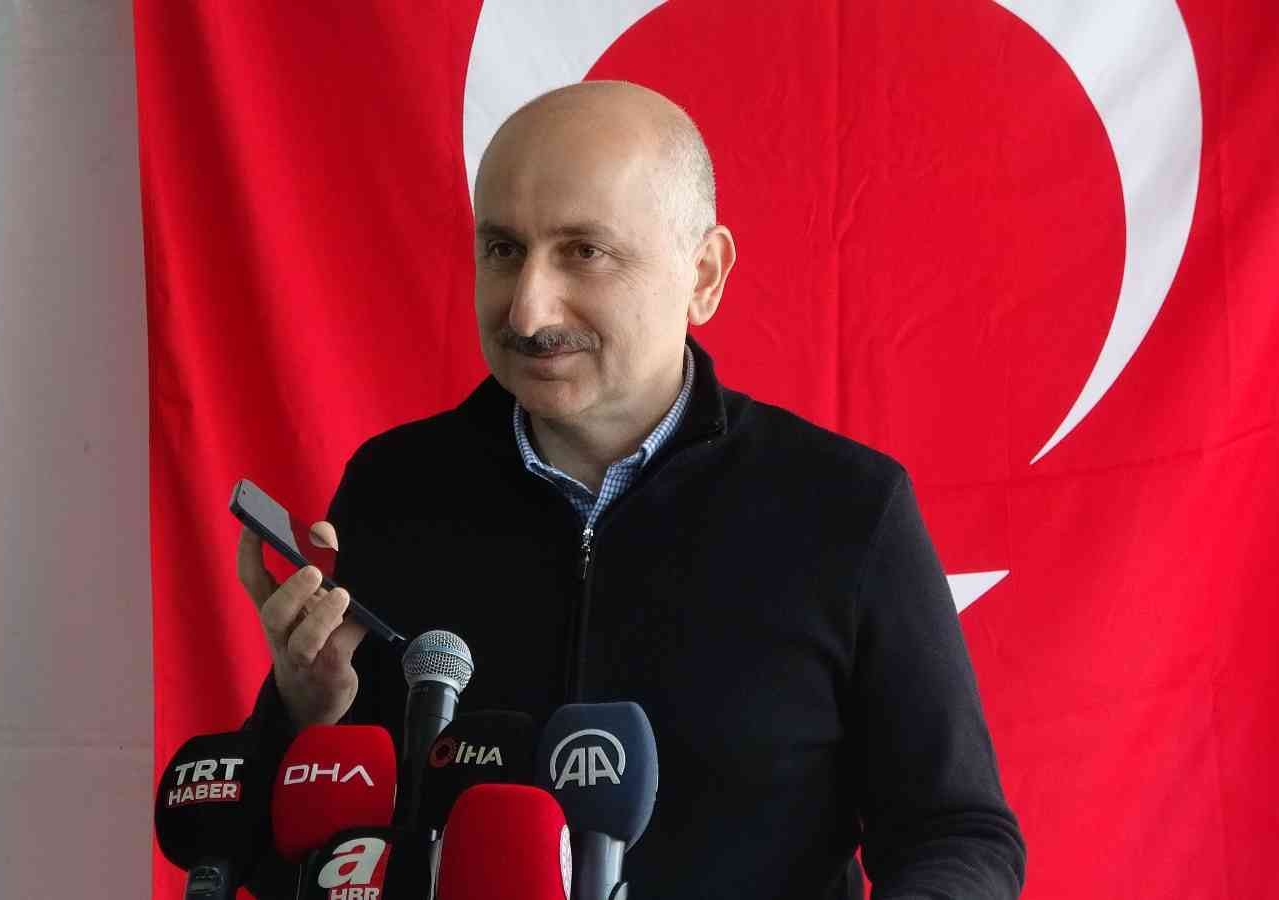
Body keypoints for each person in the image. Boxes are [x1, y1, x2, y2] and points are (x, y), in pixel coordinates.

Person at [237, 80, 1025, 898]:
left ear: (703, 274)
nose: (528, 312)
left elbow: (958, 834)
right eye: (503, 249)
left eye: (584, 251)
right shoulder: (394, 488)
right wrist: (305, 717)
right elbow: (275, 859)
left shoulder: (847, 508)